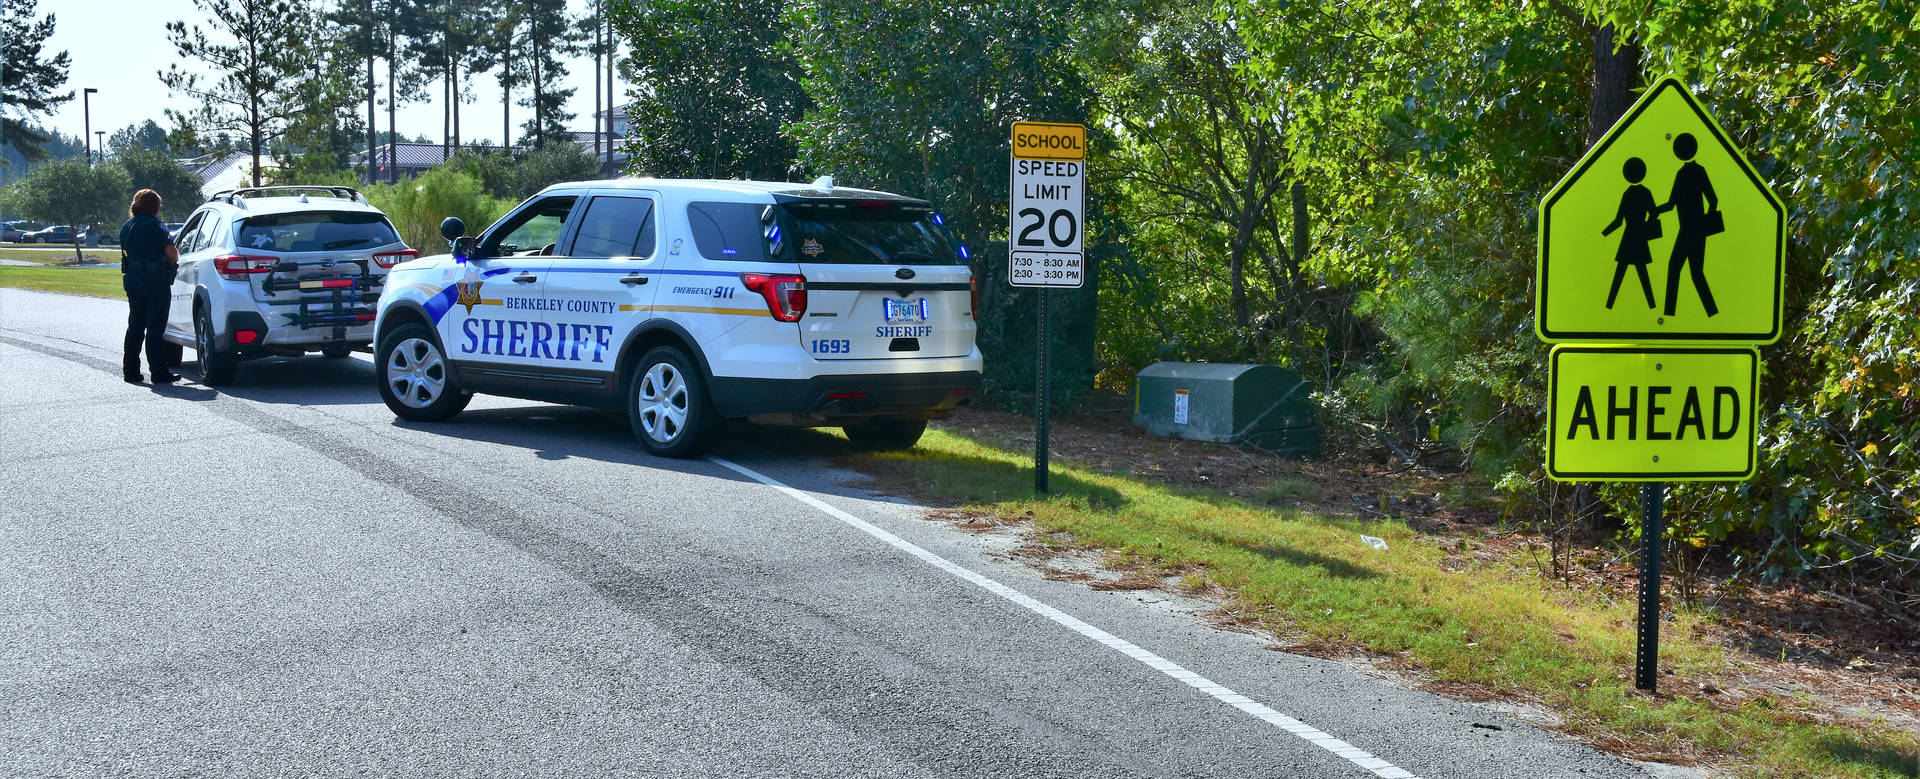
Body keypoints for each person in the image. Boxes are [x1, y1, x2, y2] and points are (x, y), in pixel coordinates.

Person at [1656, 132, 1721, 317]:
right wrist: (1706, 223)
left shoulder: (1685, 173)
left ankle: (1669, 313)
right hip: (1696, 230)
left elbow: (1671, 204)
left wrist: (1654, 211)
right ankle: (1712, 312)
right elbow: (1713, 201)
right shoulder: (1695, 171)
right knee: (1695, 273)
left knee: (1676, 267)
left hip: (1688, 231)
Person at [119, 189, 180, 384]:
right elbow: (172, 252)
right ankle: (159, 372)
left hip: (133, 279)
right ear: (154, 206)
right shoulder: (156, 225)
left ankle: (130, 371)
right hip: (155, 281)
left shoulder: (127, 226)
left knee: (135, 326)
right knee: (155, 327)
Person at [1600, 156, 1660, 310]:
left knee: (1620, 274)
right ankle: (1652, 306)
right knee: (1642, 273)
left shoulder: (1627, 194)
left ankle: (1609, 305)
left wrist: (1603, 234)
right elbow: (1654, 213)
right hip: (1640, 237)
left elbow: (1618, 221)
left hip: (1628, 238)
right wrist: (1647, 227)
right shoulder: (1646, 192)